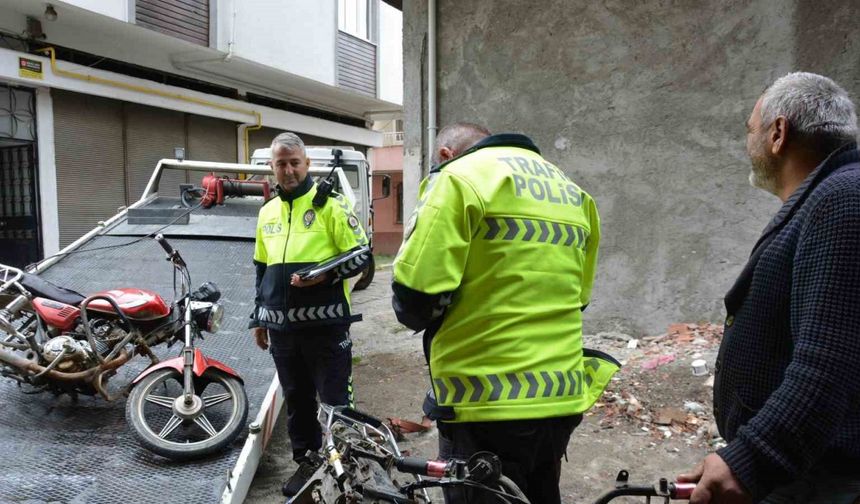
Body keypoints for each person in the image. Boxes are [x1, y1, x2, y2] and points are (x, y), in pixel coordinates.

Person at [392, 123, 620, 503]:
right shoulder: (572, 191)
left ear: (445, 155)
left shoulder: (459, 179)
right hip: (559, 397)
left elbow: (415, 298)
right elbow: (579, 296)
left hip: (484, 403)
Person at [679, 72, 860, 504]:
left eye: (749, 130)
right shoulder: (829, 195)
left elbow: (828, 362)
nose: (748, 144)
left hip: (822, 482)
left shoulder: (843, 197)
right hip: (804, 472)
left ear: (778, 133)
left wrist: (752, 459)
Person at [249, 132, 371, 497]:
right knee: (297, 403)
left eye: (294, 163)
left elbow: (362, 257)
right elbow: (261, 269)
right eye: (281, 164)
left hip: (326, 328)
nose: (288, 170)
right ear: (272, 167)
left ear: (306, 164)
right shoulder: (267, 211)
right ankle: (308, 465)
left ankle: (349, 470)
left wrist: (323, 274)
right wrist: (259, 318)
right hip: (283, 333)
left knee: (336, 403)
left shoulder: (330, 205)